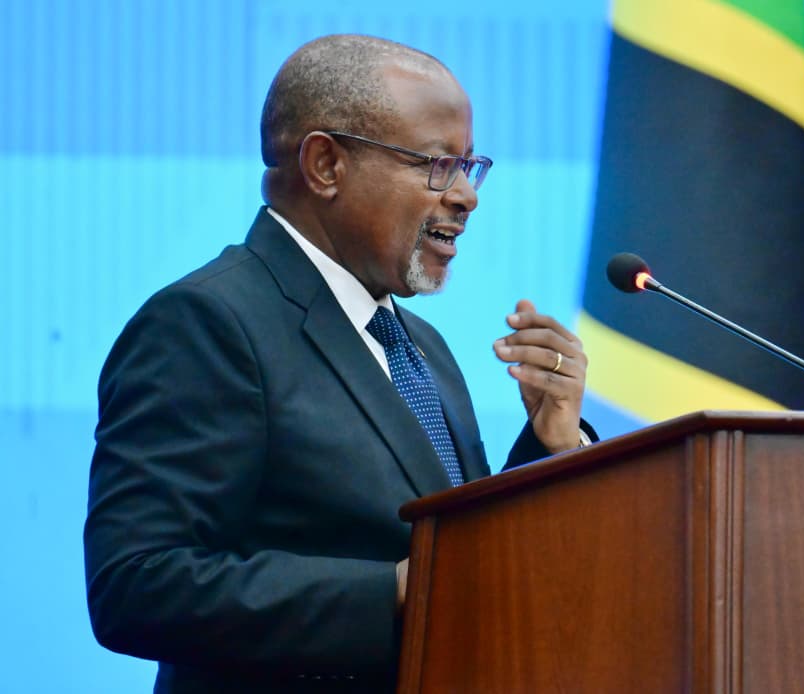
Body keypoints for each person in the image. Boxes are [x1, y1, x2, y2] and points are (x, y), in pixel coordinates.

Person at [84, 34, 592, 693]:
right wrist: (394, 593)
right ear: (326, 165)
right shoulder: (206, 322)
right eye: (438, 164)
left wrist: (551, 448)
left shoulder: (422, 346)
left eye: (471, 166)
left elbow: (466, 557)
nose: (467, 195)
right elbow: (138, 585)